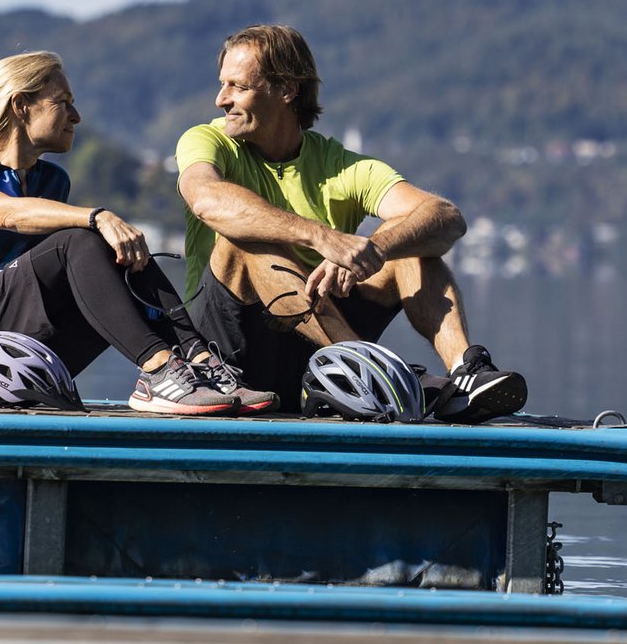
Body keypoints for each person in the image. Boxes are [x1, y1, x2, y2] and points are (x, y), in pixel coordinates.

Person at [175, 24, 527, 422]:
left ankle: (465, 376)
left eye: (238, 86)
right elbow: (206, 199)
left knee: (410, 245)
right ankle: (372, 373)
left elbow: (447, 218)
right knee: (243, 240)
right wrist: (324, 239)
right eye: (223, 84)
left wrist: (376, 250)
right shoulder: (207, 140)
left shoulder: (339, 166)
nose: (221, 99)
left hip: (314, 358)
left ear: (286, 90)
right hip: (225, 360)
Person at [0, 51, 275, 416]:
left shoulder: (51, 181)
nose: (76, 117)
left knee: (114, 259)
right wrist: (94, 217)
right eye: (63, 102)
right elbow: (5, 213)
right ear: (20, 106)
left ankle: (199, 363)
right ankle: (159, 371)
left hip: (10, 348)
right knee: (79, 239)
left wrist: (105, 236)